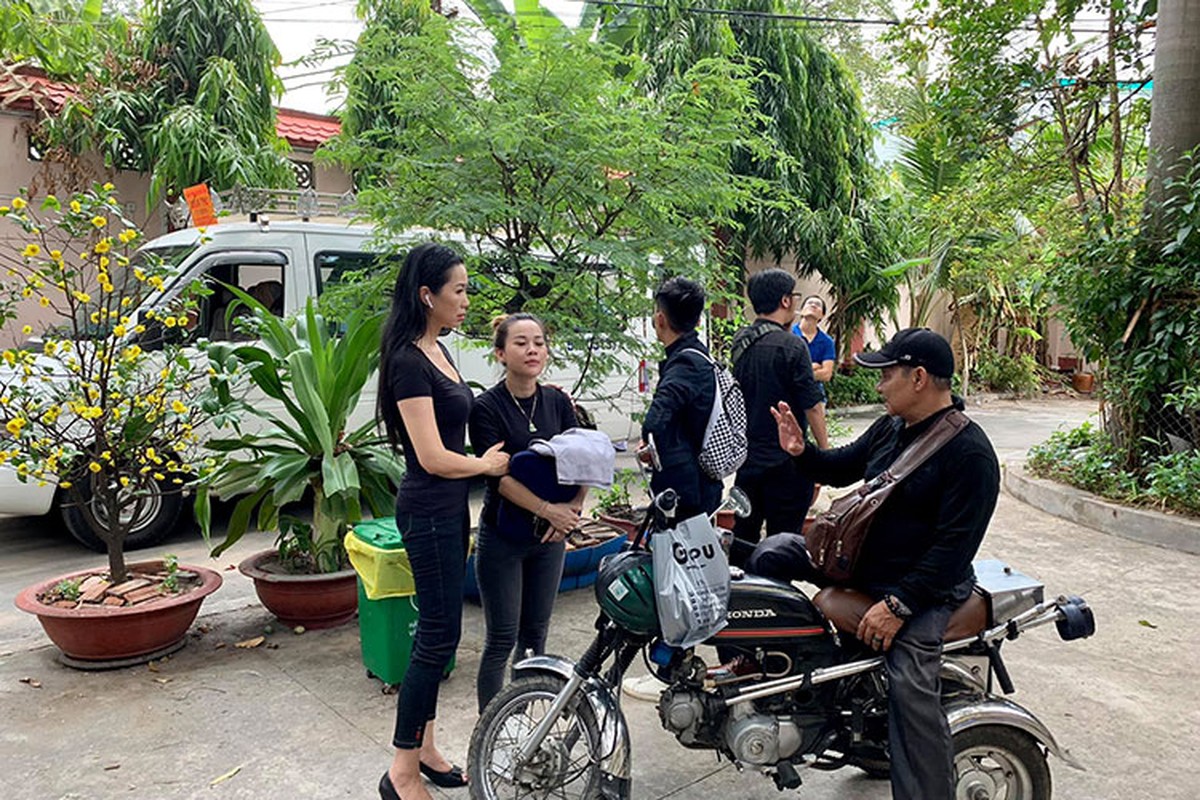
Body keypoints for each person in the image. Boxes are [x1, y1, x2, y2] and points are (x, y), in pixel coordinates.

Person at [751, 327, 1000, 800]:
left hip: (922, 589)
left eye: (886, 374)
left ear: (920, 377)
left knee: (911, 693)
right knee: (771, 551)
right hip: (858, 561)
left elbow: (953, 550)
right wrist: (802, 453)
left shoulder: (970, 454)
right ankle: (777, 676)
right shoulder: (892, 427)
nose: (879, 384)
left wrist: (899, 604)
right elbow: (844, 465)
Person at [376, 243, 510, 800]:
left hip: (451, 509)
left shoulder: (439, 351)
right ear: (426, 295)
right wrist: (483, 465)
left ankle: (426, 747)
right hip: (429, 508)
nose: (466, 300)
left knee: (441, 634)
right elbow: (430, 455)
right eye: (458, 289)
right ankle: (401, 772)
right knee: (437, 637)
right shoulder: (408, 360)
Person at [468, 313, 587, 712]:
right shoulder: (486, 407)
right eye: (520, 342)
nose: (532, 349)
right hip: (504, 537)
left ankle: (525, 724)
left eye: (538, 341)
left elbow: (582, 460)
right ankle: (493, 727)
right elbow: (498, 477)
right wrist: (547, 510)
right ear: (500, 353)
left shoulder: (557, 401)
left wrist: (570, 512)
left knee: (536, 637)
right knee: (501, 639)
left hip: (550, 539)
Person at [727, 270, 828, 567]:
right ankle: (776, 603)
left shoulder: (740, 342)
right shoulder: (793, 345)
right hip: (788, 464)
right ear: (785, 300)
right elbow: (813, 405)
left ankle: (743, 598)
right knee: (783, 543)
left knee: (743, 537)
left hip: (748, 460)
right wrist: (822, 456)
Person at [639, 276, 720, 521]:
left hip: (685, 488)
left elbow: (654, 422)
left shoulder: (685, 363)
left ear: (660, 319)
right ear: (697, 320)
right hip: (701, 481)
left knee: (676, 556)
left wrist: (648, 443)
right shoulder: (698, 355)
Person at [791, 294, 836, 403]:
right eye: (809, 303)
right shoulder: (789, 334)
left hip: (814, 395)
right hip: (789, 392)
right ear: (801, 311)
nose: (813, 305)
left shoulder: (827, 341)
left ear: (822, 315)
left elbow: (826, 374)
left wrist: (799, 373)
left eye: (818, 305)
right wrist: (814, 366)